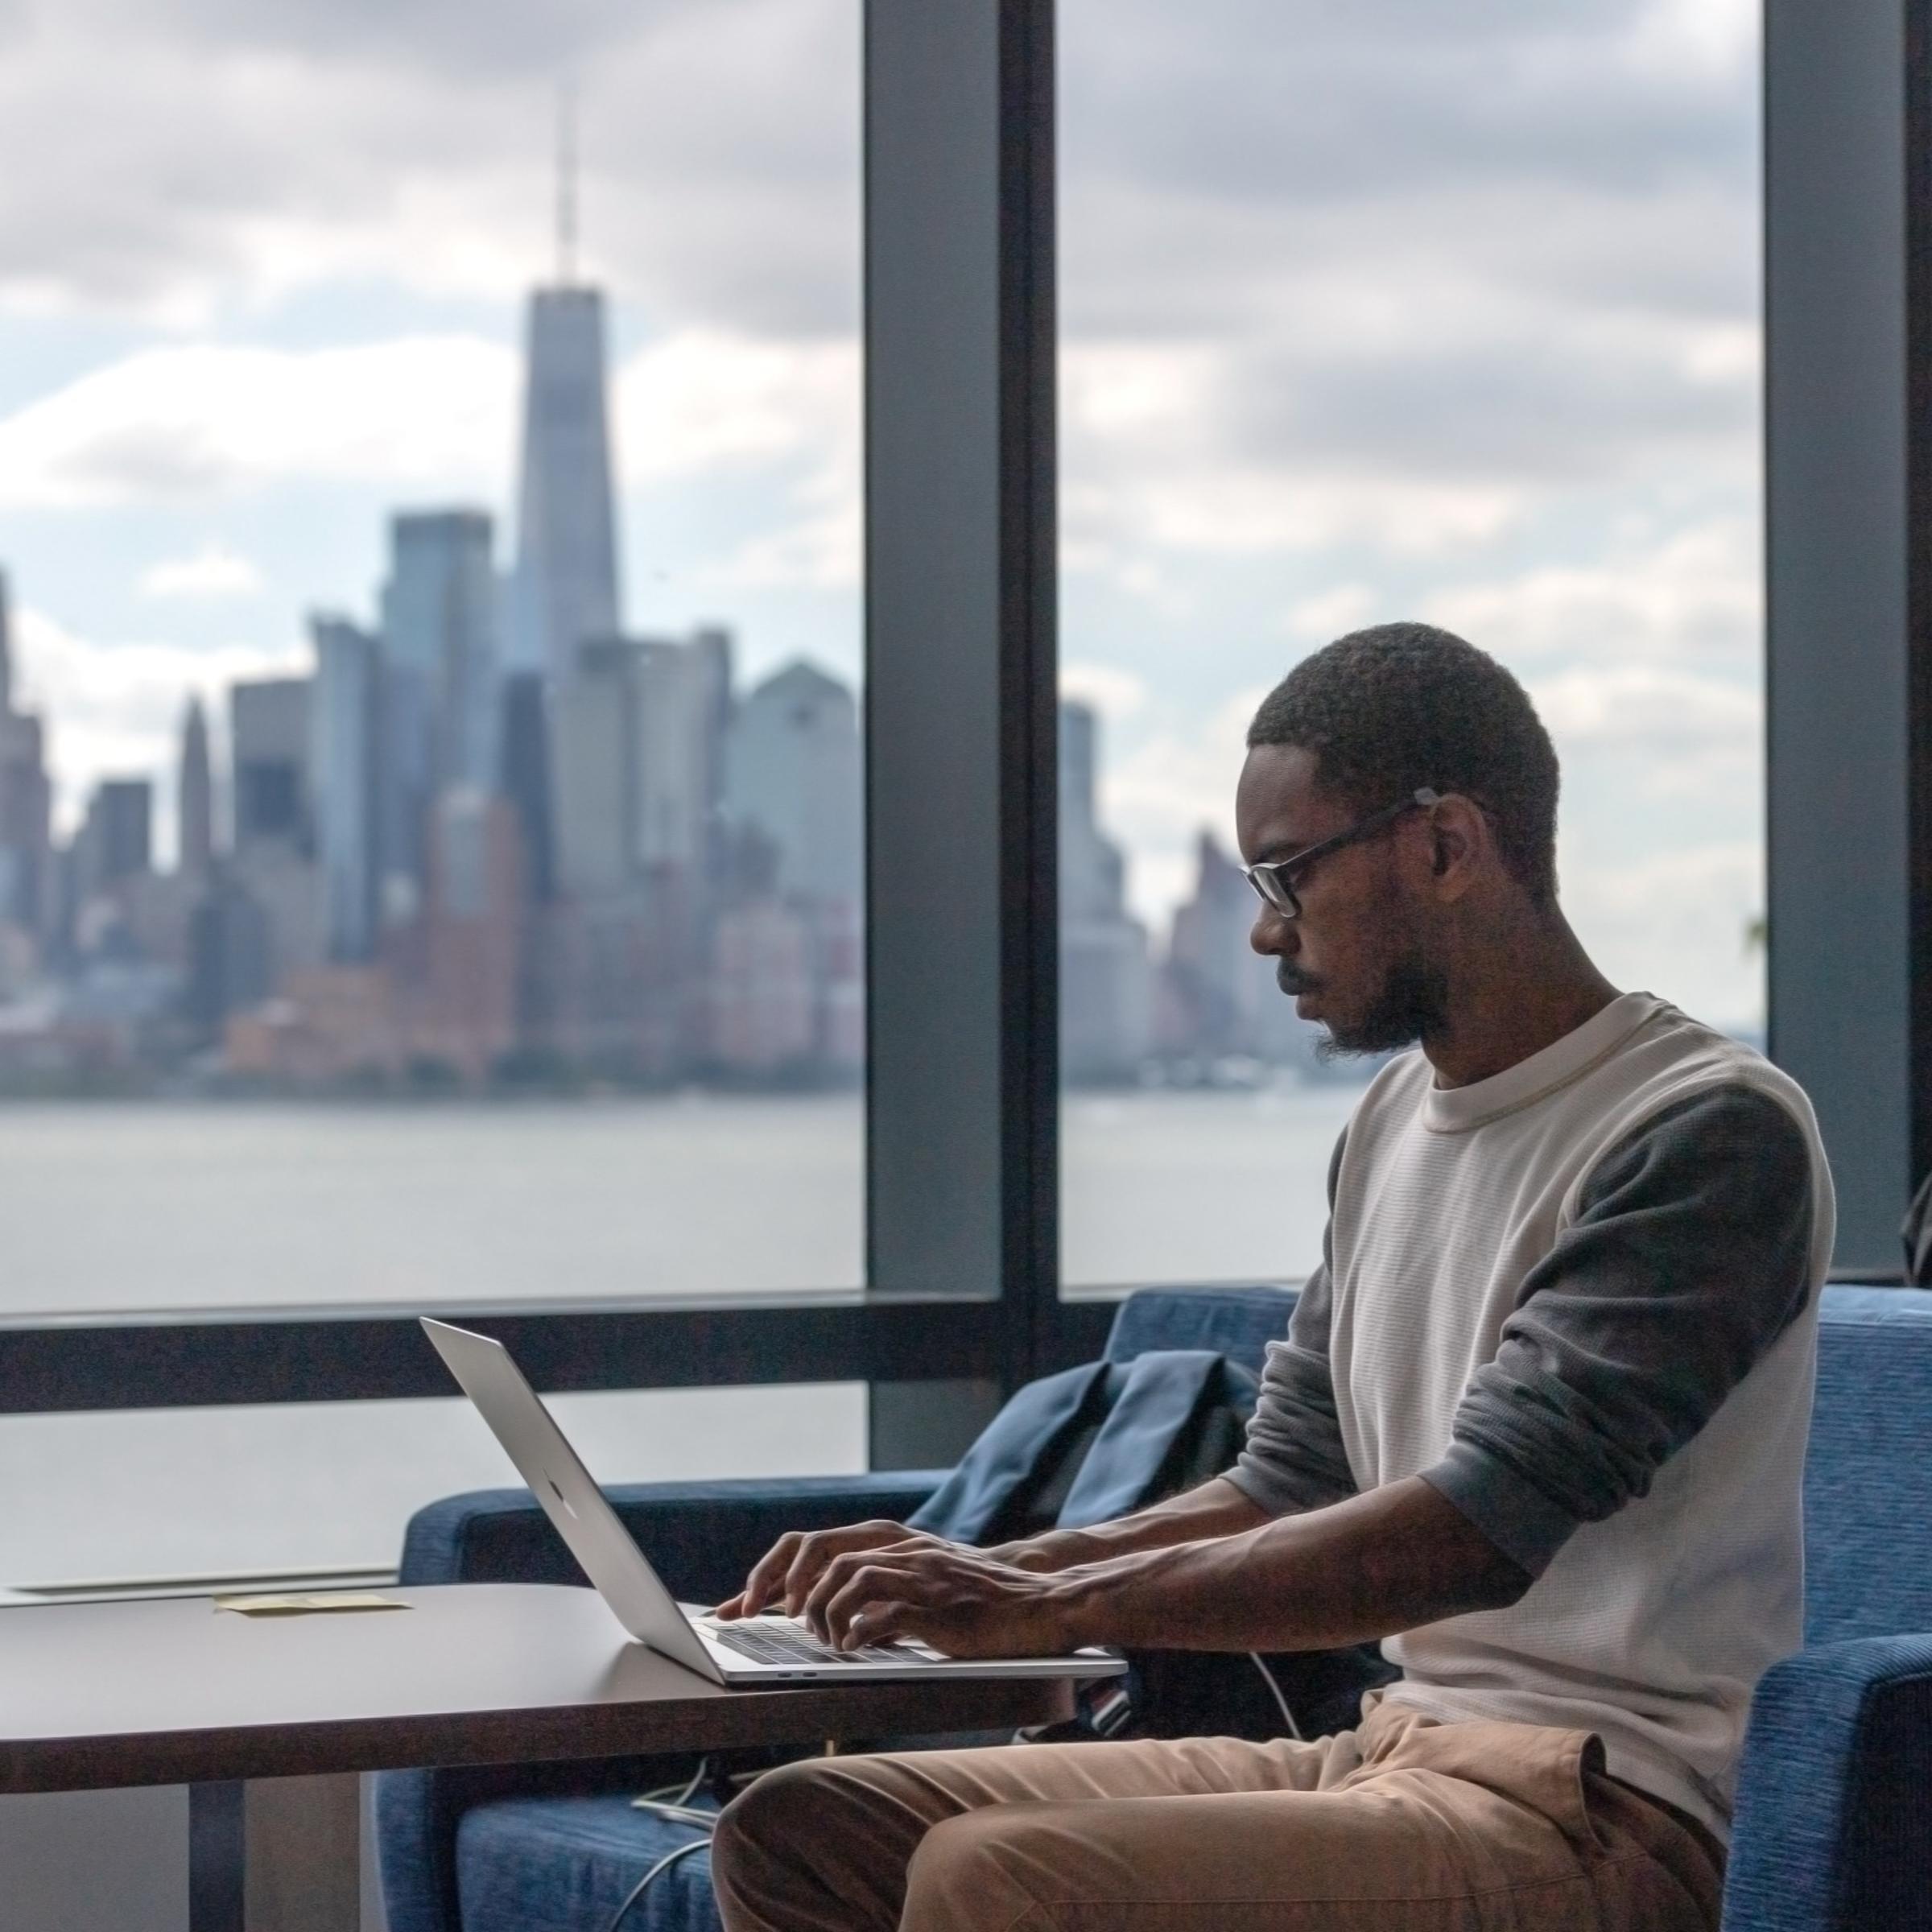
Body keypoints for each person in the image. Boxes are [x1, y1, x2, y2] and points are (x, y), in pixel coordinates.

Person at [708, 622, 1835, 1932]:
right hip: (1394, 1746)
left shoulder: (1704, 1126)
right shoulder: (1392, 1121)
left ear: (1445, 847)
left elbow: (1476, 1532)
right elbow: (1289, 1481)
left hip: (1608, 1808)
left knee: (992, 1878)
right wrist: (977, 1575)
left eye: (1289, 877)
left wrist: (1040, 1601)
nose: (1261, 933)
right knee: (799, 1831)